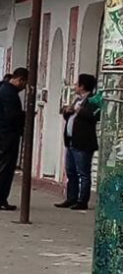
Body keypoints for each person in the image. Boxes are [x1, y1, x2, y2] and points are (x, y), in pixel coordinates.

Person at [55, 73, 99, 210]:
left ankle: (82, 200)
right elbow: (71, 117)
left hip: (83, 142)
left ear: (83, 86)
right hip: (71, 141)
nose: (74, 86)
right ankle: (71, 197)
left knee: (83, 173)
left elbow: (94, 116)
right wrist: (67, 111)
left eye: (76, 84)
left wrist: (78, 110)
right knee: (71, 171)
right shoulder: (77, 99)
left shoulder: (92, 100)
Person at [0, 68, 29, 211]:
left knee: (6, 168)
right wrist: (25, 116)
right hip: (8, 134)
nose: (24, 87)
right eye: (24, 84)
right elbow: (11, 116)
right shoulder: (8, 93)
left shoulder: (5, 90)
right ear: (20, 79)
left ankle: (0, 198)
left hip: (6, 133)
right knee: (6, 168)